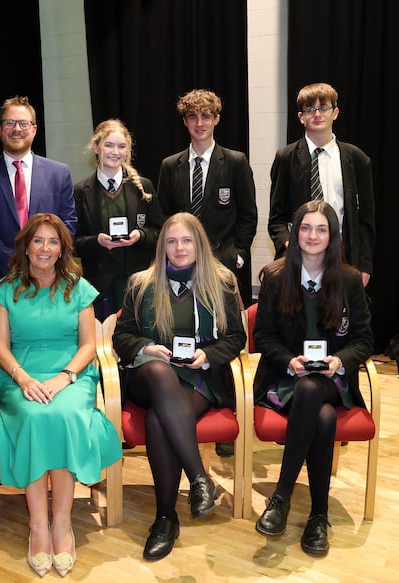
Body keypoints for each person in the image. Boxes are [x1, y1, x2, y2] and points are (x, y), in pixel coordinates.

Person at [0, 213, 122, 578]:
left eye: (52, 241)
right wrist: (22, 378)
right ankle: (38, 526)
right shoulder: (6, 288)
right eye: (38, 241)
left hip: (71, 374)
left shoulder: (78, 286)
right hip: (21, 373)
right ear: (26, 247)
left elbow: (88, 345)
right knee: (33, 415)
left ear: (62, 248)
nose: (45, 248)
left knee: (61, 415)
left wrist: (66, 377)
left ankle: (61, 525)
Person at [112, 212, 246, 562]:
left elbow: (236, 337)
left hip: (198, 378)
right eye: (171, 241)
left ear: (199, 243)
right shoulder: (142, 283)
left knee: (159, 419)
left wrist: (206, 356)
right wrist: (145, 348)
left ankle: (165, 518)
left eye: (186, 240)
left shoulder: (222, 281)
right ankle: (200, 478)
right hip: (148, 376)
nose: (179, 247)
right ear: (162, 246)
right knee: (158, 372)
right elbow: (121, 335)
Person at [253, 200, 373, 557]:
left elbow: (365, 339)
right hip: (287, 377)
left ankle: (282, 495)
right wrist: (290, 361)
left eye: (321, 229)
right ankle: (318, 517)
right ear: (295, 233)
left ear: (332, 236)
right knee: (319, 415)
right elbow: (263, 337)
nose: (312, 235)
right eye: (306, 228)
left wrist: (340, 360)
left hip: (333, 379)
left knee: (313, 391)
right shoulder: (275, 277)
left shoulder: (349, 281)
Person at [0, 95, 77, 322]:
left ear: (34, 129)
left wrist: (39, 260)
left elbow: (68, 225)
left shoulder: (59, 173)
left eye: (23, 123)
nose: (16, 129)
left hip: (51, 285)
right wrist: (17, 262)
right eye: (10, 123)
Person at [156, 89, 257, 309]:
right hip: (181, 263)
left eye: (206, 116)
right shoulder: (170, 166)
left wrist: (238, 254)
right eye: (193, 117)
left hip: (223, 261)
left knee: (224, 325)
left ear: (216, 119)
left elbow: (248, 215)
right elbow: (163, 216)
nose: (199, 123)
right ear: (185, 121)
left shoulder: (235, 161)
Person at [268, 82, 375, 287]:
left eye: (324, 108)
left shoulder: (357, 159)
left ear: (335, 112)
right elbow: (276, 218)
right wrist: (289, 244)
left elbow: (366, 220)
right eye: (310, 109)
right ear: (301, 117)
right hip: (299, 255)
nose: (317, 114)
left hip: (343, 255)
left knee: (338, 316)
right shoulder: (286, 157)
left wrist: (364, 265)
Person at [73, 119, 164, 320]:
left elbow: (161, 232)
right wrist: (96, 241)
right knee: (103, 341)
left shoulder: (144, 187)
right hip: (99, 285)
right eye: (109, 145)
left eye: (121, 146)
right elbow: (73, 241)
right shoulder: (80, 191)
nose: (115, 152)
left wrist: (140, 236)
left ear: (127, 150)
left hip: (138, 281)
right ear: (96, 147)